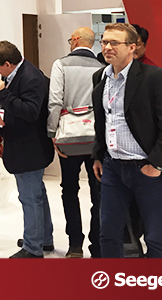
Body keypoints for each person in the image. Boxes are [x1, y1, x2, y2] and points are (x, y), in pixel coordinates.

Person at [92, 23, 162, 258]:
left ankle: (155, 277)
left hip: (145, 167)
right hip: (113, 167)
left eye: (114, 43)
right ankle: (113, 278)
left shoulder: (154, 78)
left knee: (155, 235)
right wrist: (98, 154)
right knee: (108, 232)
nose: (107, 47)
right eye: (104, 42)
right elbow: (103, 121)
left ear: (132, 48)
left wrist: (156, 165)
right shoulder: (100, 78)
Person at [0, 40, 55, 258]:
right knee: (37, 195)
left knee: (30, 198)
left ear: (7, 64)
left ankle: (33, 248)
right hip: (27, 147)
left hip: (29, 149)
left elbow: (30, 111)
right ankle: (43, 238)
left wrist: (2, 94)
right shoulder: (18, 74)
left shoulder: (30, 77)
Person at [46, 27, 103, 258]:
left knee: (69, 190)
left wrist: (52, 133)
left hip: (69, 138)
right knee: (98, 192)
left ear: (76, 40)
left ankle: (75, 244)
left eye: (71, 39)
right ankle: (97, 245)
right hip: (95, 138)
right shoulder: (102, 67)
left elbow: (55, 102)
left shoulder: (61, 65)